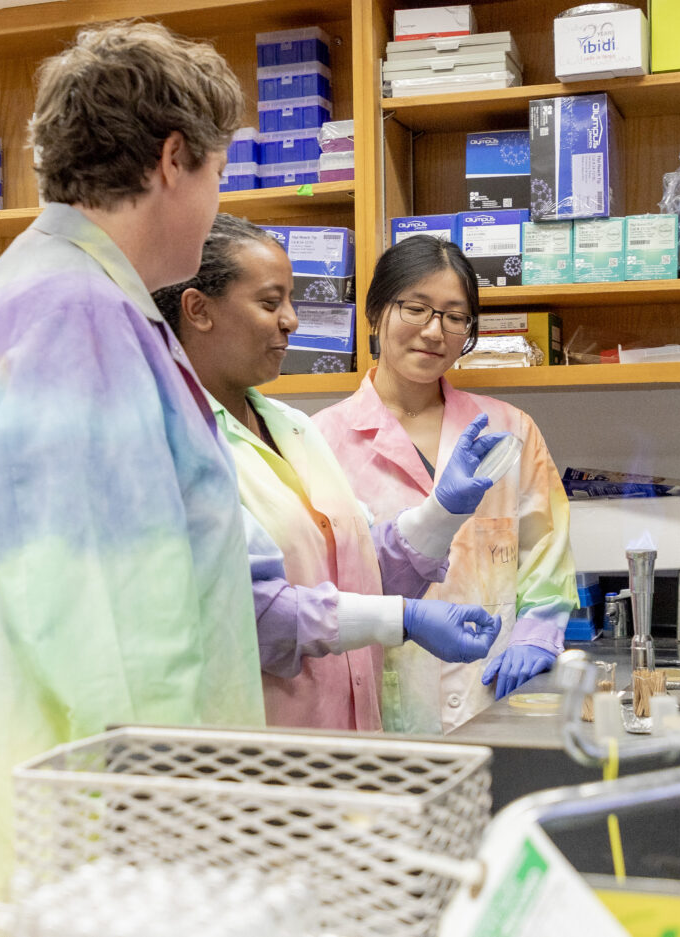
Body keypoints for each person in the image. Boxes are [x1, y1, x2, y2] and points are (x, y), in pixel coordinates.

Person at [0, 25, 269, 936]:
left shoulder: (52, 290)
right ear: (172, 160)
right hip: (72, 834)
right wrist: (172, 849)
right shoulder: (74, 311)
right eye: (218, 175)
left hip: (39, 804)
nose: (216, 202)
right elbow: (111, 625)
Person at [152, 215, 503, 731]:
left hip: (349, 748)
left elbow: (359, 564)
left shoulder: (291, 427)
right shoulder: (169, 439)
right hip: (259, 760)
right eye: (271, 303)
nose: (291, 320)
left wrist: (440, 514)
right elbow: (242, 609)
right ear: (198, 309)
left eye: (291, 301)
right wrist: (400, 619)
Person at [313, 235, 577, 734]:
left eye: (455, 317)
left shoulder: (510, 431)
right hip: (382, 703)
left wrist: (537, 632)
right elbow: (321, 584)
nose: (434, 332)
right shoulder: (321, 441)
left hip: (493, 693)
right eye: (415, 308)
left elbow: (547, 549)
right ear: (375, 313)